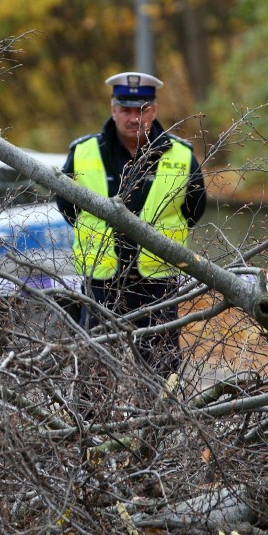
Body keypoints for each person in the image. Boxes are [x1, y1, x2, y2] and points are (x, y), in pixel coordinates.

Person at [56, 71, 207, 377]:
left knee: (160, 371)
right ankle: (91, 426)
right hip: (100, 284)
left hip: (157, 284)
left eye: (143, 109)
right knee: (93, 371)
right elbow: (67, 207)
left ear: (155, 109)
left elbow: (195, 209)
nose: (134, 118)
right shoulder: (83, 152)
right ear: (113, 109)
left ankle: (158, 426)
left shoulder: (181, 156)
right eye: (126, 109)